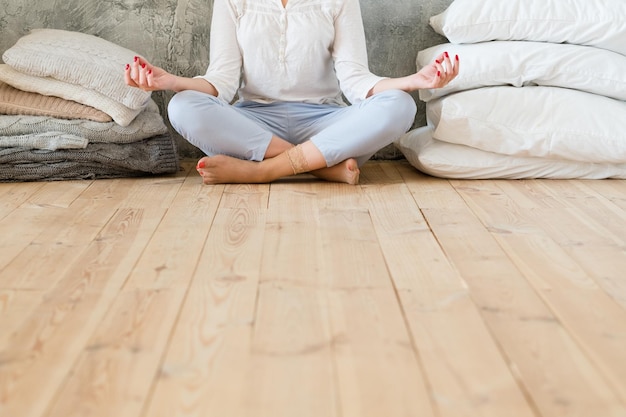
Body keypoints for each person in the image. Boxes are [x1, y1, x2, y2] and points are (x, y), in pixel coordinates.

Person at [124, 0, 459, 185]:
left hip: (327, 123)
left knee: (399, 105)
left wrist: (414, 81)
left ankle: (263, 171)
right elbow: (221, 83)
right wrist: (172, 82)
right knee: (183, 106)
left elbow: (357, 81)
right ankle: (320, 167)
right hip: (254, 124)